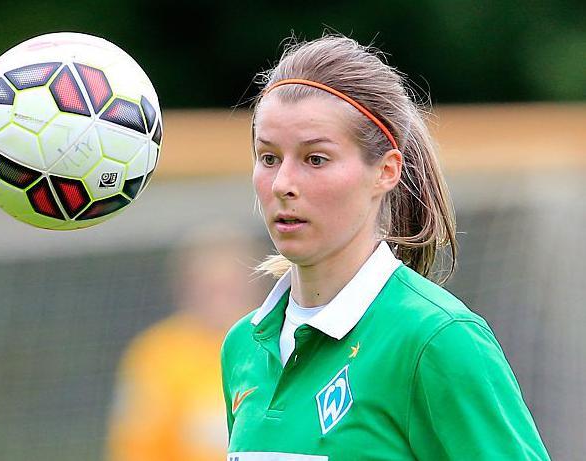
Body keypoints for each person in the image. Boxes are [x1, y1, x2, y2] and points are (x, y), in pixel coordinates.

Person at [220, 35, 550, 460]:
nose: (283, 183)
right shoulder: (242, 347)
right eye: (268, 158)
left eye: (315, 159)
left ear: (385, 171)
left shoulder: (435, 339)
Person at [107, 225, 265, 461]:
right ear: (185, 287)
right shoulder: (158, 354)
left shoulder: (281, 344)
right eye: (211, 289)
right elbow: (135, 446)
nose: (221, 302)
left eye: (231, 288)